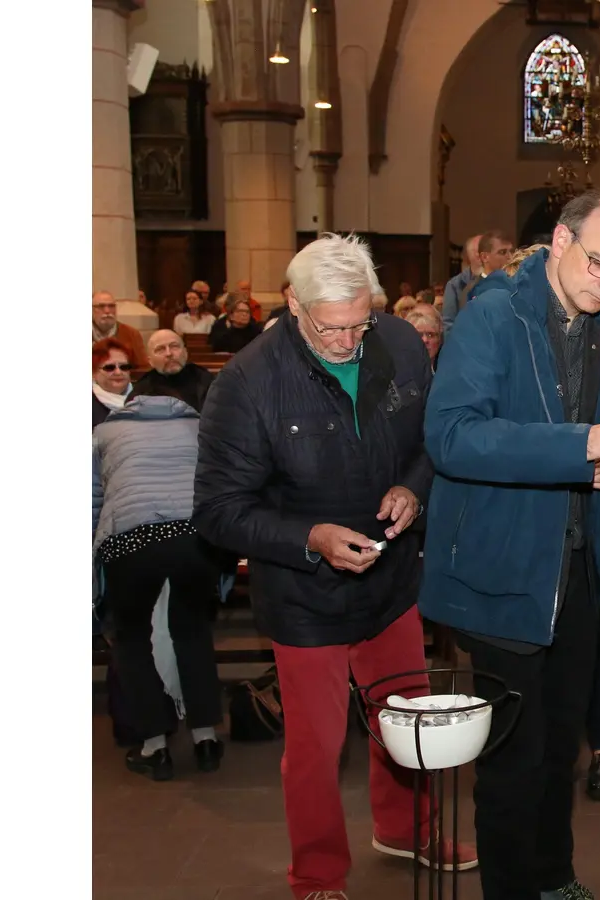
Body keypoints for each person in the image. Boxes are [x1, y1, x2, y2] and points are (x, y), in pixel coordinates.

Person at [193, 234, 468, 900]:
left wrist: (414, 487)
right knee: (315, 748)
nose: (349, 341)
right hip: (303, 594)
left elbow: (432, 440)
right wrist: (309, 537)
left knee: (406, 720)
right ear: (293, 303)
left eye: (358, 324)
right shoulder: (249, 382)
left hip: (391, 575)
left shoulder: (399, 344)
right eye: (332, 328)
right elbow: (218, 511)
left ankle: (407, 828)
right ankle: (316, 871)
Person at [419, 189, 600, 900]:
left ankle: (554, 878)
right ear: (559, 241)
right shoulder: (493, 315)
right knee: (513, 762)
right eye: (598, 263)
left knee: (559, 752)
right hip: (503, 568)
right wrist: (577, 445)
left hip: (579, 565)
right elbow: (451, 436)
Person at [95, 394, 226, 779]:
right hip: (193, 535)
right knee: (193, 631)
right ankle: (205, 740)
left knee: (132, 637)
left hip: (130, 540)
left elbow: (90, 499)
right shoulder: (199, 426)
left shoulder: (104, 431)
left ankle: (155, 747)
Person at [135, 329, 216, 412]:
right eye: (160, 349)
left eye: (174, 346)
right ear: (150, 361)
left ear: (185, 353)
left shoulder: (205, 379)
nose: (169, 353)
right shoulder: (142, 390)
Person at [93, 291, 149, 366]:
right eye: (101, 306)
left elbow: (143, 368)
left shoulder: (131, 334)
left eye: (111, 306)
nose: (107, 311)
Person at [93, 338, 137, 428]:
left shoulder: (144, 395)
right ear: (93, 373)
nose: (118, 372)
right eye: (109, 367)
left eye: (124, 367)